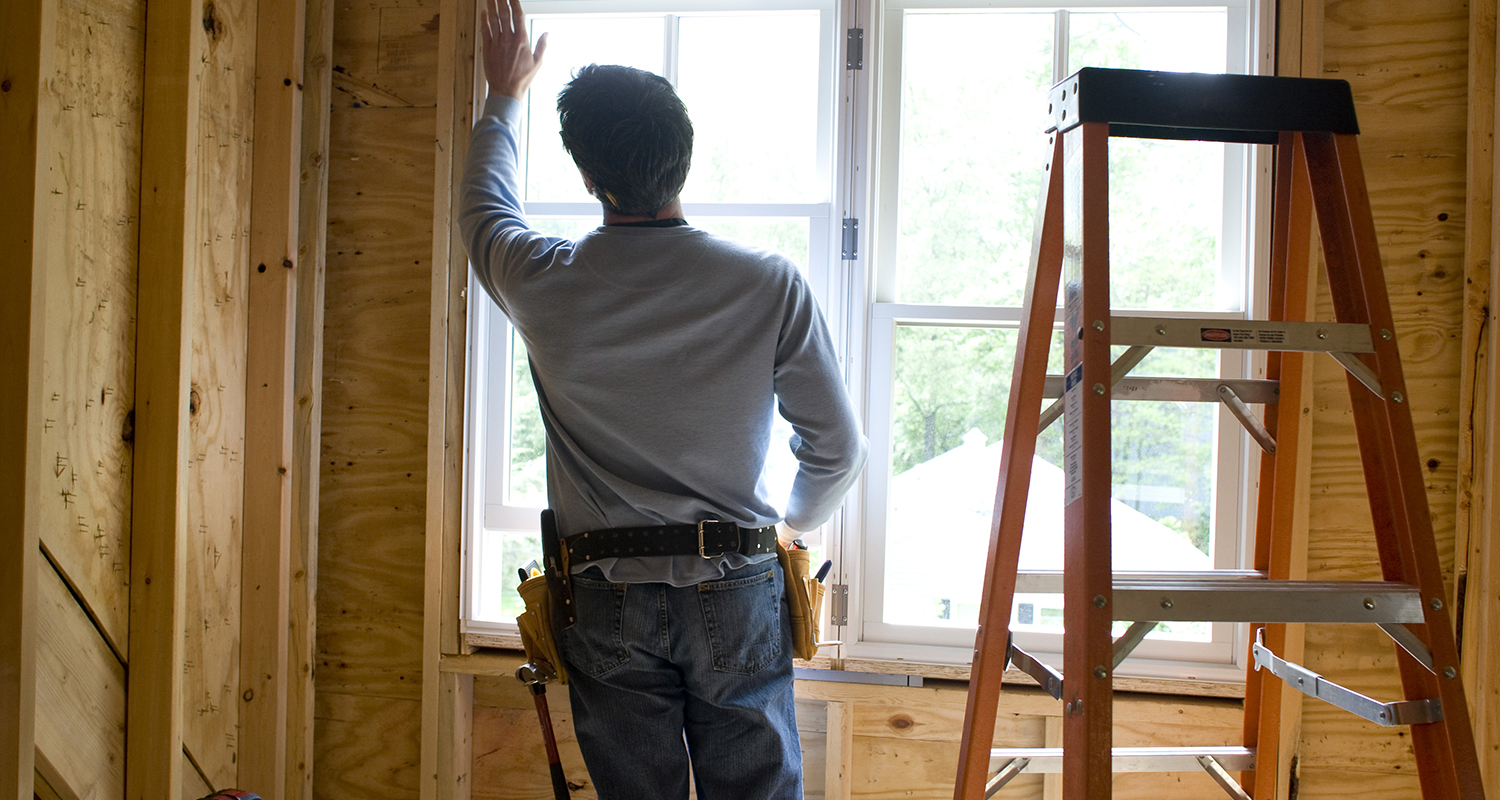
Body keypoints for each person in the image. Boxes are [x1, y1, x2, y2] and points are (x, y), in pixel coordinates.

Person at [460, 0, 867, 797]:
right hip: (738, 579)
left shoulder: (547, 284)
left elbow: (483, 209)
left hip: (605, 593)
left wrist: (504, 94)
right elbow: (838, 449)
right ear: (682, 159)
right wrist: (792, 523)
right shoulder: (768, 283)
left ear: (587, 177)